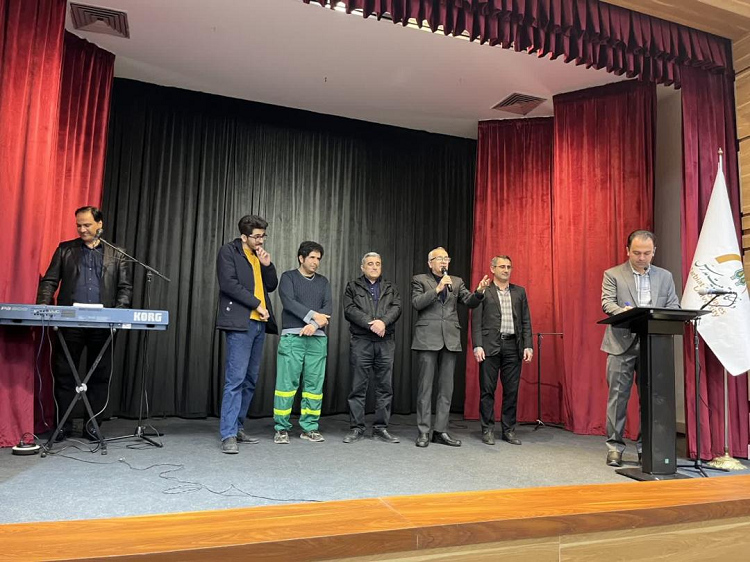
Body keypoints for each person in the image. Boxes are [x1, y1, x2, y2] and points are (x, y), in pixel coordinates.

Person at [36, 206, 133, 441]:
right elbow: (49, 281)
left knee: (99, 375)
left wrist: (119, 314)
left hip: (103, 325)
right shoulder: (65, 250)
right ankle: (63, 425)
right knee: (64, 374)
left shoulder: (117, 253)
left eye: (87, 225)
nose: (82, 229)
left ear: (100, 224)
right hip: (69, 324)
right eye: (78, 225)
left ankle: (92, 425)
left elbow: (124, 288)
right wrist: (42, 307)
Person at [601, 230, 680, 467]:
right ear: (627, 251)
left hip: (654, 344)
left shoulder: (665, 276)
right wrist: (625, 313)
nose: (642, 258)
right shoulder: (613, 274)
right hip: (621, 343)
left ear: (654, 252)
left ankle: (646, 448)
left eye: (647, 253)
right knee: (618, 398)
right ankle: (614, 448)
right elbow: (607, 303)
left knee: (651, 399)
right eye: (637, 253)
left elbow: (673, 305)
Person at [411, 247, 490, 447]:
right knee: (425, 388)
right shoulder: (420, 280)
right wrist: (437, 289)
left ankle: (440, 431)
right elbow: (417, 303)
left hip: (450, 338)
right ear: (430, 263)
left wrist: (479, 291)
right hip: (427, 338)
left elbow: (469, 301)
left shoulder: (456, 281)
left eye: (446, 258)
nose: (443, 262)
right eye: (439, 258)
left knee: (446, 389)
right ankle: (423, 431)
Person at [216, 215, 278, 454]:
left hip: (259, 324)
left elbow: (270, 285)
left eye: (263, 236)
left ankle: (238, 427)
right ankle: (228, 434)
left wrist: (267, 265)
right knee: (235, 380)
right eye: (257, 236)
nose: (261, 240)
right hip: (241, 323)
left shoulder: (258, 255)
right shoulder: (228, 252)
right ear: (244, 236)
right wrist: (256, 304)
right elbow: (228, 284)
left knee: (250, 380)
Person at [273, 241, 332, 444]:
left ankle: (310, 428)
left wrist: (313, 326)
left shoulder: (323, 282)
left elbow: (328, 307)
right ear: (301, 258)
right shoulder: (288, 277)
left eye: (318, 258)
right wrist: (314, 317)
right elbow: (289, 302)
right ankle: (281, 428)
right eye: (312, 257)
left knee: (314, 385)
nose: (316, 262)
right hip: (293, 338)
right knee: (286, 384)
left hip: (317, 339)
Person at [471, 255, 533, 446]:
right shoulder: (484, 290)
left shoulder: (519, 292)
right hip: (489, 346)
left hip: (513, 346)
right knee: (487, 390)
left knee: (511, 391)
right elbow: (476, 320)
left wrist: (528, 345)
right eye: (502, 267)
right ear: (493, 269)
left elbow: (526, 320)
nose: (506, 270)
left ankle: (508, 430)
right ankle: (487, 429)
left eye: (508, 267)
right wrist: (477, 345)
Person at [342, 252, 402, 444]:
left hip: (385, 342)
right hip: (362, 341)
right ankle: (357, 428)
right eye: (370, 264)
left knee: (385, 387)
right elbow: (350, 310)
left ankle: (380, 428)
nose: (374, 267)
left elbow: (397, 308)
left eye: (378, 263)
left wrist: (383, 322)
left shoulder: (391, 287)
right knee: (357, 387)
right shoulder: (352, 286)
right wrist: (371, 324)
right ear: (362, 267)